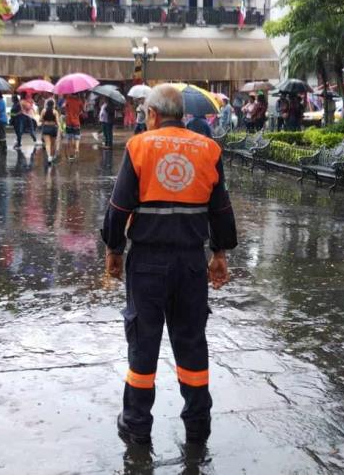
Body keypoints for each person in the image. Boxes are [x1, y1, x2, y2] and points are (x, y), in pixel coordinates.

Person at [101, 84, 237, 445]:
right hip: (191, 263)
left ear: (152, 115)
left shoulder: (140, 145)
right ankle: (197, 424)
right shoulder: (208, 149)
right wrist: (220, 254)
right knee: (191, 342)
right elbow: (221, 208)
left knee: (143, 342)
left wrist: (114, 249)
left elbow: (118, 207)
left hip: (147, 263)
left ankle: (136, 423)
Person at [64, 94, 84, 160]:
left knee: (69, 138)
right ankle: (77, 149)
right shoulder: (79, 101)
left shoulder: (68, 100)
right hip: (76, 122)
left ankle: (71, 154)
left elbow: (64, 108)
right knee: (77, 138)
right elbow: (81, 110)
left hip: (69, 122)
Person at [40, 98, 60, 164]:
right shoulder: (55, 112)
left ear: (47, 104)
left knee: (47, 144)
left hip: (46, 127)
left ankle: (49, 157)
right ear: (53, 105)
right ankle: (52, 155)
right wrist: (60, 128)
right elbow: (57, 122)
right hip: (53, 128)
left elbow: (40, 120)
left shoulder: (43, 111)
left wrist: (44, 121)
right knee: (53, 143)